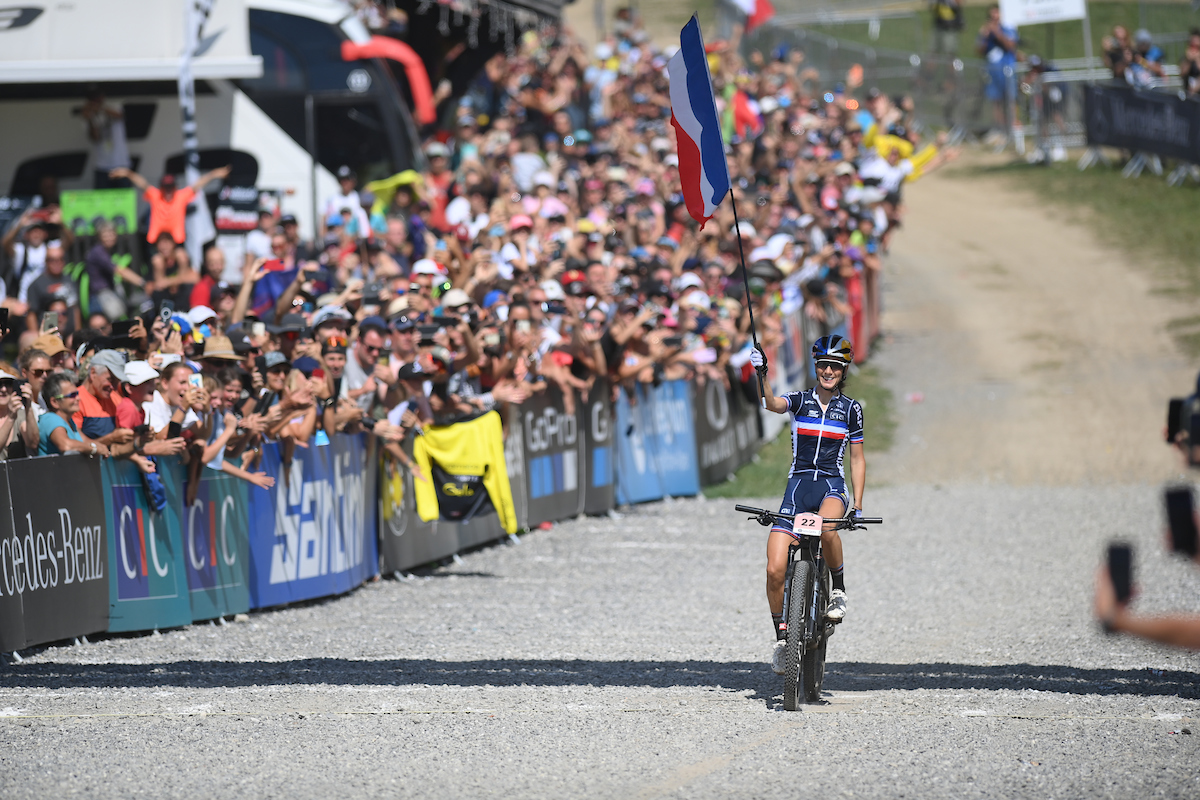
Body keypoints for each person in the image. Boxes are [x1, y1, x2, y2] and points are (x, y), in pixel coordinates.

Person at [750, 334, 865, 675]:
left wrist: (857, 505)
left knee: (827, 527)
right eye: (823, 365)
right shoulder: (800, 401)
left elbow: (857, 459)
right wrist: (761, 373)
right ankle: (783, 640)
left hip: (830, 487)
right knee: (774, 569)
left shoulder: (851, 409)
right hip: (797, 488)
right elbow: (770, 403)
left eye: (835, 366)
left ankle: (839, 590)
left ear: (844, 371)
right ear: (815, 367)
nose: (828, 371)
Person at [107, 164, 231, 246]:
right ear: (161, 187)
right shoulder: (156, 195)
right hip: (156, 241)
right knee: (157, 262)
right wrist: (128, 173)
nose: (168, 191)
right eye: (165, 187)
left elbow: (198, 184)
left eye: (171, 187)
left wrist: (214, 174)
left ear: (175, 187)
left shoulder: (180, 196)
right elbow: (142, 183)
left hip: (176, 242)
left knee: (182, 259)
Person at [38, 373, 109, 457]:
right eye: (72, 395)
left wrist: (102, 448)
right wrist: (94, 449)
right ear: (54, 402)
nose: (78, 398)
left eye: (77, 394)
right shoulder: (50, 419)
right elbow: (65, 445)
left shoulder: (69, 422)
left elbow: (86, 441)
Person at [0, 366, 38, 458]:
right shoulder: (13, 415)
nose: (4, 389)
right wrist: (10, 418)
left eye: (8, 384)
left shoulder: (20, 414)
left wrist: (28, 406)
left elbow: (32, 443)